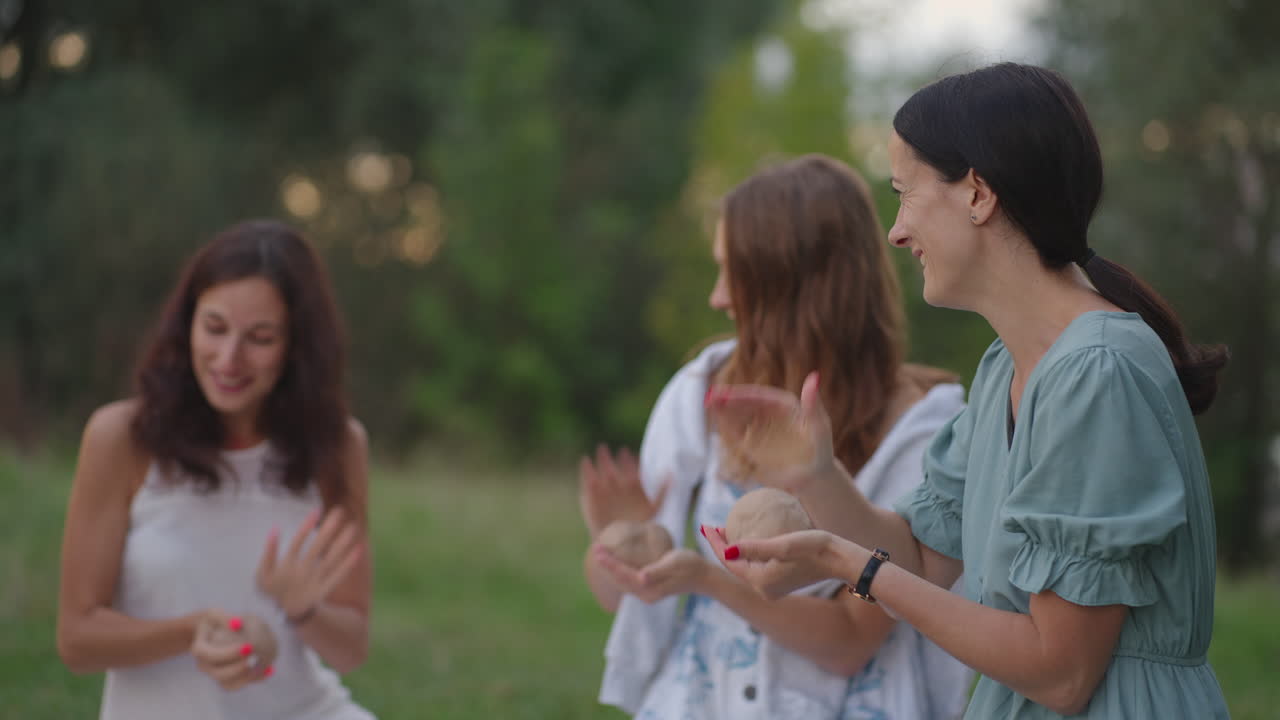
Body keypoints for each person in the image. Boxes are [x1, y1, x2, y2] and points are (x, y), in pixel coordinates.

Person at [704, 63, 1232, 719]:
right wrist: (816, 475)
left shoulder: (1096, 373)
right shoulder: (1003, 369)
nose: (896, 232)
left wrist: (849, 565)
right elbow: (924, 558)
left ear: (978, 193)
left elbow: (1062, 673)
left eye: (905, 193)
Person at [579, 154, 974, 719]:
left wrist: (710, 582)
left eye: (733, 275)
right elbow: (625, 598)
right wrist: (618, 545)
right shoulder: (700, 391)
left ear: (796, 288)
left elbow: (849, 643)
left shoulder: (922, 427)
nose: (717, 298)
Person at [56, 220, 376, 720]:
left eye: (260, 338)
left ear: (296, 347)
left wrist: (303, 612)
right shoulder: (120, 438)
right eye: (215, 328)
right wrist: (193, 631)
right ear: (187, 325)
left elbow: (351, 648)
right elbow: (77, 639)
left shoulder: (338, 444)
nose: (229, 359)